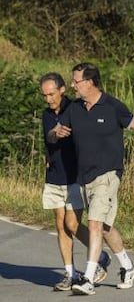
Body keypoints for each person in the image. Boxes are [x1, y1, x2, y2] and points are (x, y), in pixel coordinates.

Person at [49, 63, 134, 295]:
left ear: (90, 82)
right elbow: (54, 135)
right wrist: (55, 133)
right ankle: (128, 266)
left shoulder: (113, 106)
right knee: (104, 227)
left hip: (108, 174)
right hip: (83, 177)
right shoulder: (74, 108)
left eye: (76, 81)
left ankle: (88, 279)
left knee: (94, 224)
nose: (72, 85)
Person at [40, 72, 112, 291]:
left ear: (62, 90)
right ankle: (70, 274)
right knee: (61, 226)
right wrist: (54, 134)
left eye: (51, 94)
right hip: (54, 177)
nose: (48, 99)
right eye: (44, 95)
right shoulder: (46, 115)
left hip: (75, 177)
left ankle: (99, 255)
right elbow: (48, 139)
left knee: (72, 225)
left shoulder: (77, 109)